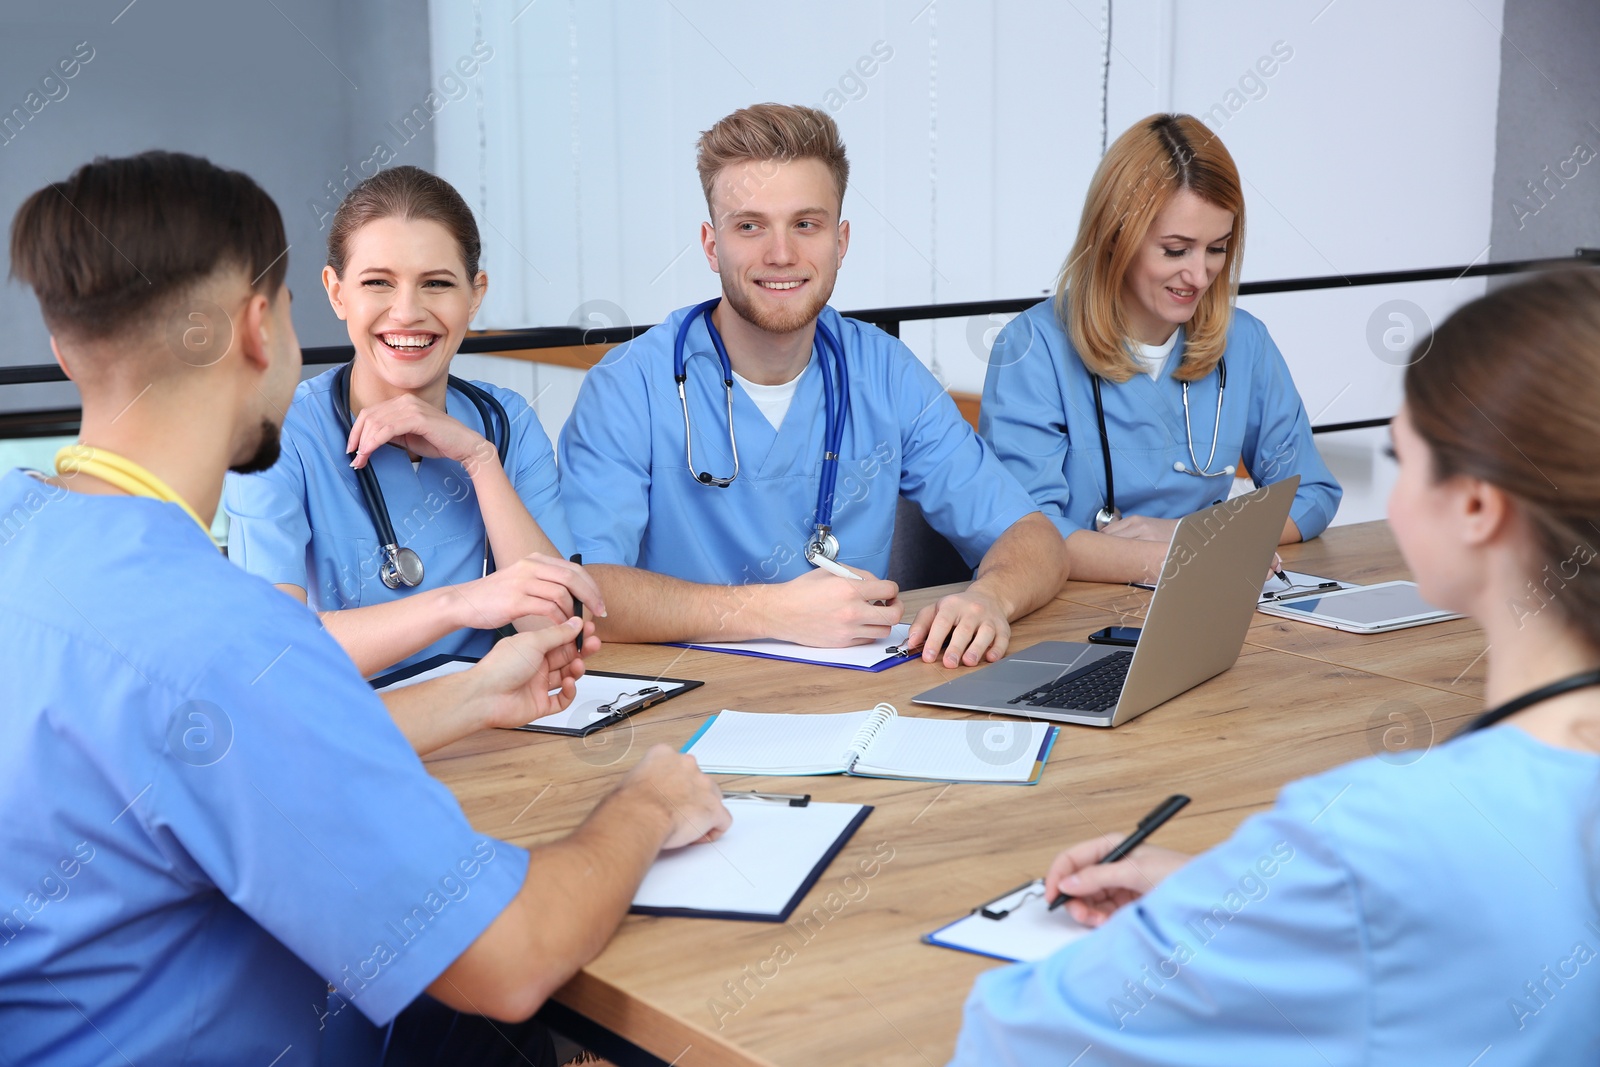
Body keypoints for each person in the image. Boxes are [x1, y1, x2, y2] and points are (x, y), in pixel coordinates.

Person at [0, 150, 730, 1066]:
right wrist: (650, 803)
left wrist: (474, 696)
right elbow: (512, 959)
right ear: (262, 329)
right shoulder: (228, 635)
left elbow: (239, 750)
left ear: (66, 348)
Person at [950, 269, 1600, 1065]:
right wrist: (1251, 902)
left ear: (1475, 507)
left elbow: (1012, 1036)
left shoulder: (1373, 834)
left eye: (1404, 457)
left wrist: (1271, 900)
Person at [558, 103, 1065, 668]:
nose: (781, 254)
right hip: (687, 709)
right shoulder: (629, 387)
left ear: (840, 241)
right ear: (710, 244)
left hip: (859, 702)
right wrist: (772, 613)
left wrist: (988, 598)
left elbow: (1033, 537)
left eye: (806, 224)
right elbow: (585, 594)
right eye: (749, 225)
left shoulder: (885, 372)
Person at [225, 165, 600, 679]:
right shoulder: (276, 439)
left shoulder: (505, 423)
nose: (406, 312)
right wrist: (464, 603)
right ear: (337, 292)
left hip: (498, 728)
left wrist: (479, 460)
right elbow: (274, 649)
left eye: (437, 284)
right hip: (350, 735)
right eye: (378, 282)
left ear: (475, 295)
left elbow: (556, 627)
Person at [979, 114, 1341, 585]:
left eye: (1217, 248)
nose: (1199, 276)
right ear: (1114, 239)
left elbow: (1310, 494)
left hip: (1205, 603)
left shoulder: (1245, 342)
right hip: (1073, 609)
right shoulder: (1034, 349)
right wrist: (1195, 555)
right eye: (1175, 250)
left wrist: (1186, 533)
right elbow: (1027, 535)